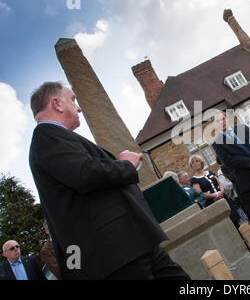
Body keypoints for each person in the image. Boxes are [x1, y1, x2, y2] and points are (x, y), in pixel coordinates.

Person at [28, 82, 190, 280]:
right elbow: (85, 174)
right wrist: (125, 165)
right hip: (115, 253)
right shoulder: (46, 137)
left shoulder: (57, 138)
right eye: (73, 99)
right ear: (57, 104)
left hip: (132, 244)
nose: (78, 107)